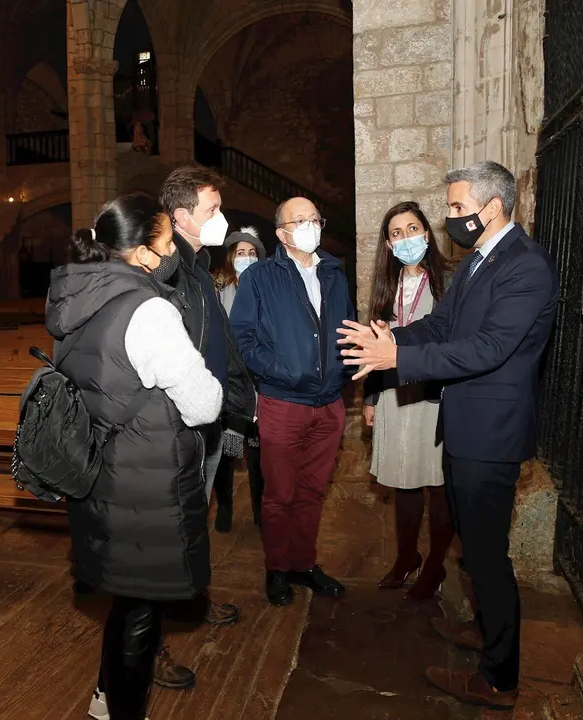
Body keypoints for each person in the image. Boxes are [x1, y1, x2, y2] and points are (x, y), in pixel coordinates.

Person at [337, 161, 560, 710]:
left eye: (457, 208)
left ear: (493, 207)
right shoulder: (478, 262)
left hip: (491, 434)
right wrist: (393, 334)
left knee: (488, 558)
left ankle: (499, 679)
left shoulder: (525, 267)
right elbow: (444, 326)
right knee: (475, 547)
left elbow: (486, 349)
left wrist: (400, 358)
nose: (450, 218)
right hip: (463, 427)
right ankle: (486, 633)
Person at [45, 193, 223, 720]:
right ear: (144, 253)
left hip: (103, 471)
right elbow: (203, 403)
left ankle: (105, 698)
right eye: (167, 243)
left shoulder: (74, 297)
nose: (171, 254)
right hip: (147, 482)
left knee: (127, 599)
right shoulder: (148, 309)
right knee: (142, 612)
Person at [154, 165, 257, 684]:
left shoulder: (199, 268)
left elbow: (218, 340)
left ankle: (193, 597)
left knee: (195, 519)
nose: (223, 219)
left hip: (209, 418)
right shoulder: (168, 273)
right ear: (181, 217)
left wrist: (244, 399)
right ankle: (154, 646)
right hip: (181, 424)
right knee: (169, 531)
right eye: (213, 210)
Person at [229, 196, 355, 607]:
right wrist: (279, 371)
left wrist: (342, 372)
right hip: (282, 402)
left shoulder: (336, 274)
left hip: (329, 402)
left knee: (313, 491)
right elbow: (242, 337)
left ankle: (304, 563)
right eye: (297, 220)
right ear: (281, 233)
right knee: (280, 494)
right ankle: (278, 568)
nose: (308, 226)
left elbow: (346, 330)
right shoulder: (259, 278)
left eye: (313, 219)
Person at [362, 201, 453, 601]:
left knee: (438, 484)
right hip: (395, 396)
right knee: (404, 481)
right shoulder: (386, 286)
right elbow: (372, 346)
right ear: (388, 243)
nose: (406, 239)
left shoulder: (448, 281)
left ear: (427, 234)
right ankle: (405, 557)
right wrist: (370, 396)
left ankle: (434, 564)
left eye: (412, 229)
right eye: (397, 233)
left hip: (435, 396)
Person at [211, 227, 267, 530]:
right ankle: (226, 504)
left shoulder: (268, 290)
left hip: (259, 388)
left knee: (259, 455)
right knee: (230, 451)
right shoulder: (220, 290)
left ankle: (261, 509)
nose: (246, 258)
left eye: (252, 253)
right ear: (231, 257)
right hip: (231, 389)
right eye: (240, 253)